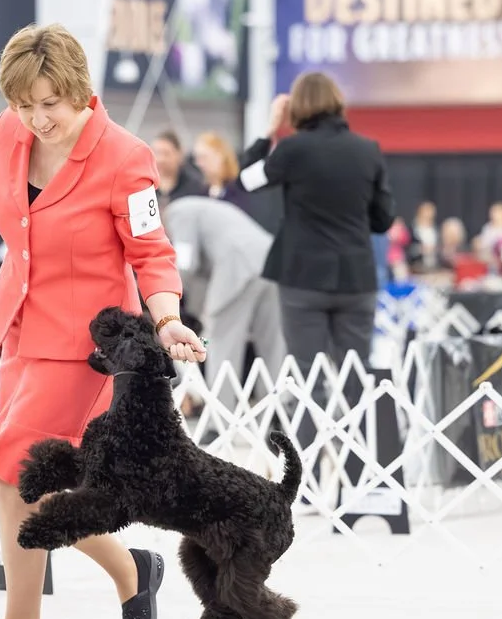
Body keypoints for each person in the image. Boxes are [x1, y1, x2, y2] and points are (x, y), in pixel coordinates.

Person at [0, 22, 205, 619]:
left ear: (80, 91)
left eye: (50, 104)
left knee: (15, 472)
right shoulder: (7, 136)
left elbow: (150, 250)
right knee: (24, 486)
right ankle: (131, 569)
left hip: (82, 341)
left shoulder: (127, 158)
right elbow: (0, 195)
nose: (36, 119)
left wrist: (168, 318)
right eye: (21, 105)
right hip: (19, 326)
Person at [237, 73, 395, 375]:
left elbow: (245, 181)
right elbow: (383, 219)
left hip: (303, 279)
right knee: (357, 373)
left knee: (307, 374)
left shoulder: (292, 150)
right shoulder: (368, 150)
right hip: (356, 279)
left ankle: (311, 424)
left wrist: (270, 130)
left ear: (298, 107)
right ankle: (359, 424)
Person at [164, 195, 285, 418]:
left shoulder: (177, 212)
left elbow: (186, 264)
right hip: (272, 260)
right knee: (273, 343)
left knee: (222, 343)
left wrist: (165, 298)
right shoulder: (206, 208)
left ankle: (220, 419)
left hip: (237, 265)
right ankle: (275, 412)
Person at [151, 129, 205, 208]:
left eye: (166, 153)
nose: (160, 159)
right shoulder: (146, 186)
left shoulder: (195, 186)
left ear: (179, 154)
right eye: (156, 153)